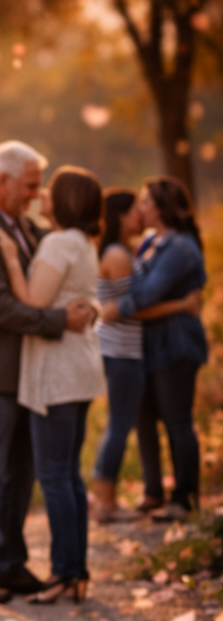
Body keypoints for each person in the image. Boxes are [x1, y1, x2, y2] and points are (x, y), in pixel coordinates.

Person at [0, 142, 93, 605]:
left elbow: (41, 287)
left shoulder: (25, 228)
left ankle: (9, 564)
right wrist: (59, 322)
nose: (36, 194)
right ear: (3, 181)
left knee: (20, 475)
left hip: (28, 375)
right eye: (30, 185)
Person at [0, 166, 105, 604]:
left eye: (51, 191)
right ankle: (76, 571)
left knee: (55, 476)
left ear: (67, 200)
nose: (43, 196)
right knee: (70, 476)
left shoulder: (60, 242)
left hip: (57, 373)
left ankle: (64, 573)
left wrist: (8, 257)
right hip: (80, 369)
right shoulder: (83, 243)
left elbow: (33, 304)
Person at [91, 189, 202, 523]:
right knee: (123, 426)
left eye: (146, 204)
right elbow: (135, 306)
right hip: (123, 350)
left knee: (148, 423)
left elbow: (136, 301)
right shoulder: (123, 253)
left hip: (142, 348)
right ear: (122, 216)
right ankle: (107, 502)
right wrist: (182, 305)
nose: (141, 211)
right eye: (136, 207)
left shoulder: (159, 246)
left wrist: (115, 309)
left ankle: (169, 494)